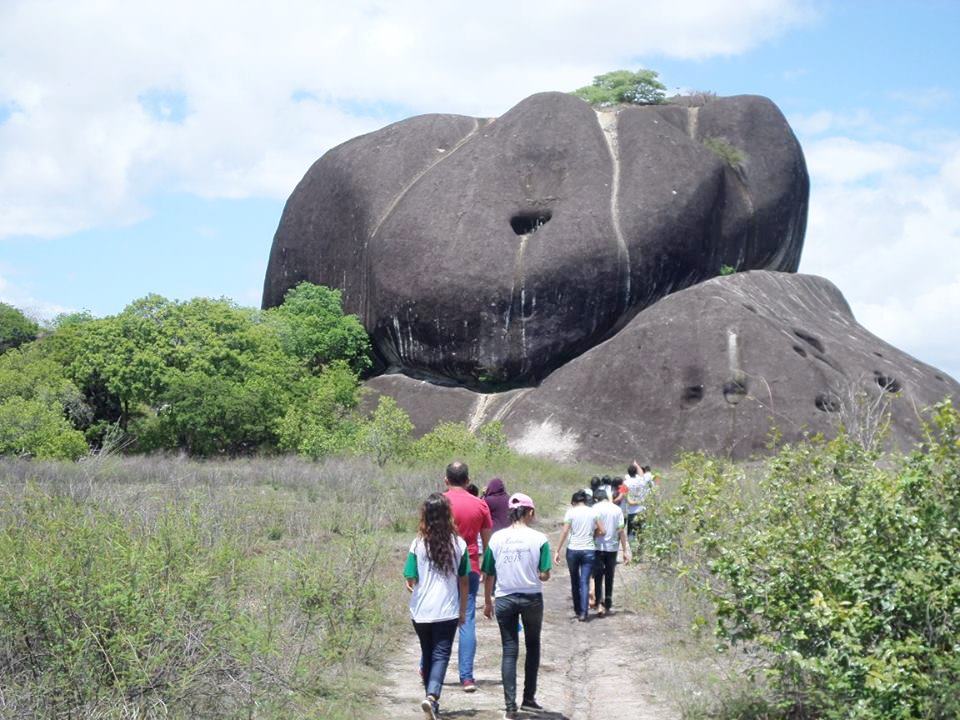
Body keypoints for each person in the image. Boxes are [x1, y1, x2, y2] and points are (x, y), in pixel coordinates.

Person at [482, 492, 551, 720]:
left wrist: (487, 601)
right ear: (530, 512)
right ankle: (529, 699)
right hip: (531, 598)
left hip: (504, 598)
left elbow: (489, 572)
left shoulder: (496, 538)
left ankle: (510, 708)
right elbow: (544, 574)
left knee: (509, 651)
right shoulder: (540, 539)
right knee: (532, 646)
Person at [404, 494, 470, 720]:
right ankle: (432, 697)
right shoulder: (459, 544)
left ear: (425, 516)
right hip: (447, 610)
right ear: (447, 515)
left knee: (428, 652)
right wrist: (462, 610)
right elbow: (464, 580)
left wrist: (413, 585)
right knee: (441, 654)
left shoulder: (417, 543)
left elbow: (410, 577)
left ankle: (431, 702)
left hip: (421, 611)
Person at [443, 461, 492, 692]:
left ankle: (428, 667)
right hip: (470, 565)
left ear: (446, 480)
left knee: (438, 618)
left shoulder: (438, 503)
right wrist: (486, 568)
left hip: (441, 566)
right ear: (467, 480)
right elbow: (488, 542)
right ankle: (467, 677)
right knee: (467, 619)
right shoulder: (480, 505)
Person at [553, 490, 603, 621]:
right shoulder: (593, 512)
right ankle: (584, 613)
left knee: (574, 580)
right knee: (584, 581)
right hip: (589, 550)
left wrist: (557, 550)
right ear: (585, 501)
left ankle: (577, 609)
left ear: (574, 502)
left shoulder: (571, 512)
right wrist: (593, 535)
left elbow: (565, 531)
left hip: (573, 550)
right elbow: (602, 530)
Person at [591, 488, 631, 616]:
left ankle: (599, 604)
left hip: (597, 547)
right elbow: (621, 531)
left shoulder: (594, 508)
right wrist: (625, 550)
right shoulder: (617, 509)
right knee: (609, 575)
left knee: (597, 576)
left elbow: (591, 529)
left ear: (597, 498)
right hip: (612, 548)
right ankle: (607, 601)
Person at [623, 461, 655, 544]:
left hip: (632, 511)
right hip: (642, 511)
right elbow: (641, 474)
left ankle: (633, 552)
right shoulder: (642, 480)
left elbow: (622, 494)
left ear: (628, 473)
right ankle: (640, 551)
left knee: (631, 534)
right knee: (641, 533)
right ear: (636, 472)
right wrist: (637, 465)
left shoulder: (626, 483)